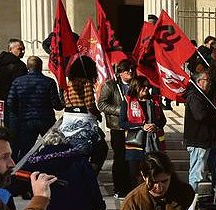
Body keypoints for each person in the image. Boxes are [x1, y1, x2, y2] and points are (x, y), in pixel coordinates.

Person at [5, 56, 63, 161]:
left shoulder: (18, 82)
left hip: (26, 121)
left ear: (27, 67)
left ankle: (23, 173)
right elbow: (57, 105)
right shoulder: (49, 82)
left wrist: (19, 114)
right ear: (41, 67)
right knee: (54, 148)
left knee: (25, 152)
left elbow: (10, 103)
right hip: (46, 120)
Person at [98, 59, 136, 198]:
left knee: (132, 159)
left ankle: (132, 187)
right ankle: (119, 188)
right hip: (118, 127)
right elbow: (102, 104)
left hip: (134, 128)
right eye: (127, 70)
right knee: (120, 158)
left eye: (132, 69)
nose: (130, 72)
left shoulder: (135, 85)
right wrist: (122, 110)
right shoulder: (110, 86)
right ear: (120, 72)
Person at [119, 75, 166, 188]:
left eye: (147, 86)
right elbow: (122, 123)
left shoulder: (154, 101)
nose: (146, 88)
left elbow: (163, 120)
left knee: (153, 172)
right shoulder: (128, 101)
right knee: (135, 174)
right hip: (135, 144)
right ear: (135, 87)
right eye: (142, 86)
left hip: (154, 143)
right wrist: (141, 126)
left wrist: (156, 126)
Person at [61, 56, 106, 173]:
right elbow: (90, 103)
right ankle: (91, 175)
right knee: (101, 149)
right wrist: (98, 114)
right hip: (84, 120)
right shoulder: (86, 82)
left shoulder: (69, 82)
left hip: (68, 119)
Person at [184, 71, 216, 192]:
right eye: (207, 80)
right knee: (197, 171)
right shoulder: (194, 96)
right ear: (199, 82)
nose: (210, 83)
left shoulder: (207, 96)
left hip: (211, 140)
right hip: (199, 141)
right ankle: (192, 196)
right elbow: (200, 116)